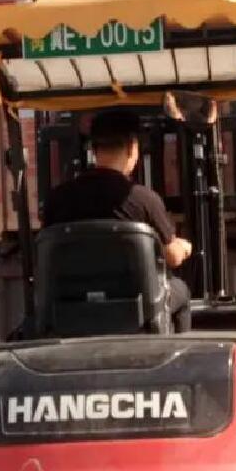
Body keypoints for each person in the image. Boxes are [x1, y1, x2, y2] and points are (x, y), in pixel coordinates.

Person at [42, 109, 194, 332]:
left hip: (70, 306)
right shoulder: (143, 199)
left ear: (94, 149)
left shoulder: (57, 199)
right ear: (132, 147)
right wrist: (184, 247)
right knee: (181, 290)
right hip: (136, 307)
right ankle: (176, 352)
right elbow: (172, 257)